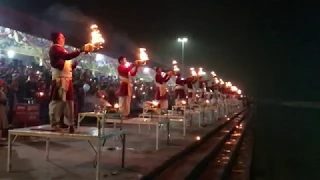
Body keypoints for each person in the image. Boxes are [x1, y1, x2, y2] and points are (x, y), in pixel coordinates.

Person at [48, 32, 92, 133]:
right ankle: (54, 124)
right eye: (62, 37)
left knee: (69, 102)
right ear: (57, 39)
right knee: (57, 102)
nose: (64, 38)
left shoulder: (62, 49)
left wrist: (74, 64)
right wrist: (80, 50)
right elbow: (66, 57)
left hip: (68, 79)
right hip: (60, 80)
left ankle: (70, 124)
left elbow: (66, 64)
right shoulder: (55, 48)